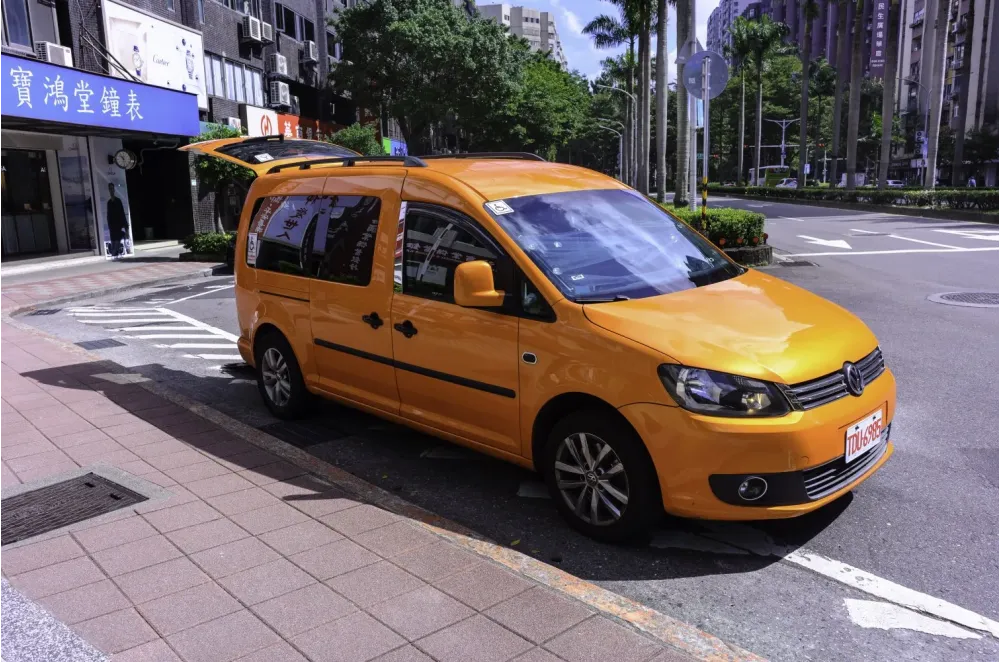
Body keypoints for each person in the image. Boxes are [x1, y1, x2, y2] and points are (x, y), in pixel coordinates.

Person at [106, 183, 129, 257]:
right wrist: (109, 226)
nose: (111, 190)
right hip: (112, 227)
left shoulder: (118, 201)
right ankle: (116, 255)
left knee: (116, 244)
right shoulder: (109, 203)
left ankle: (121, 252)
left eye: (112, 188)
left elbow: (122, 213)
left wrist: (125, 227)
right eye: (110, 188)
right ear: (109, 190)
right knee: (114, 245)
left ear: (114, 189)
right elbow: (108, 215)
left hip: (118, 226)